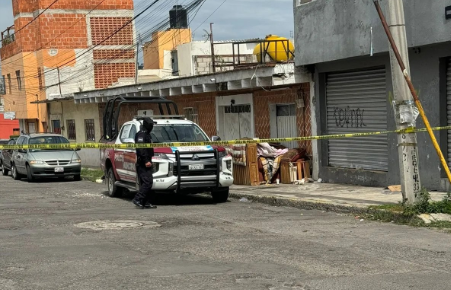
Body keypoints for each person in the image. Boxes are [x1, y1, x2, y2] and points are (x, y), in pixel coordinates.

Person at [132, 117, 157, 209]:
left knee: (146, 182)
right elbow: (141, 149)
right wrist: (146, 160)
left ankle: (145, 202)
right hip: (143, 162)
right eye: (151, 125)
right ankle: (138, 199)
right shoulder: (141, 135)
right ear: (147, 125)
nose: (152, 127)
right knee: (148, 182)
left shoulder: (146, 134)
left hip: (147, 161)